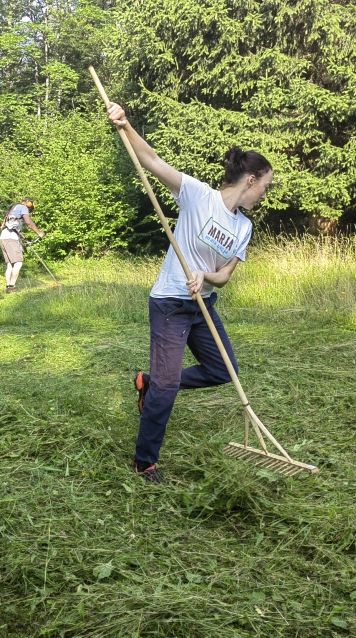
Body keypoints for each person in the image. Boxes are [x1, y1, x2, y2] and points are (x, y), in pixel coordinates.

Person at [106, 102, 274, 484]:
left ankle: (149, 382)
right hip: (170, 303)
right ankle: (144, 461)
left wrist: (205, 274)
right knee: (168, 389)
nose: (265, 194)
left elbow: (224, 276)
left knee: (221, 369)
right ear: (250, 180)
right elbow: (151, 160)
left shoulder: (244, 227)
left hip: (202, 303)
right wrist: (126, 125)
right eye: (265, 186)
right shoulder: (199, 196)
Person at [0, 198, 46, 293]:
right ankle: (11, 287)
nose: (28, 210)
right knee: (18, 263)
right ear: (28, 204)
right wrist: (39, 233)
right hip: (12, 237)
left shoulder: (12, 208)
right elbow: (29, 223)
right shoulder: (23, 207)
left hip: (3, 236)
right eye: (30, 208)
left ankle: (8, 286)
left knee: (10, 264)